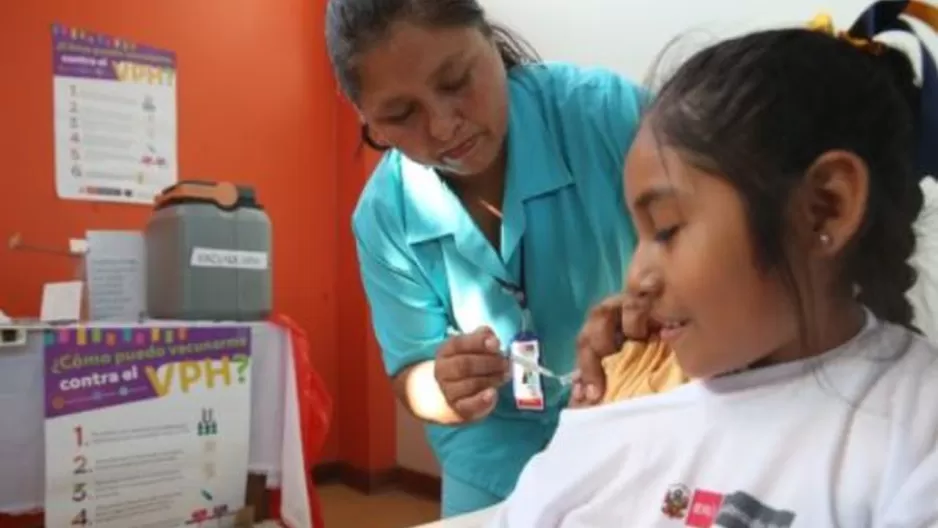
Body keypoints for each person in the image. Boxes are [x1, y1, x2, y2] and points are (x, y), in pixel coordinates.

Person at [491, 1, 938, 526]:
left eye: (667, 230)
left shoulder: (915, 434)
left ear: (825, 207)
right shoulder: (636, 402)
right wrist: (596, 414)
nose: (636, 278)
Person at [324, 0, 659, 517]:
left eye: (456, 80)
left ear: (489, 38)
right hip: (492, 451)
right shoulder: (384, 217)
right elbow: (411, 369)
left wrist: (659, 301)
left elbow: (714, 233)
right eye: (399, 114)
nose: (441, 128)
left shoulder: (608, 117)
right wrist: (441, 386)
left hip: (635, 420)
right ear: (367, 119)